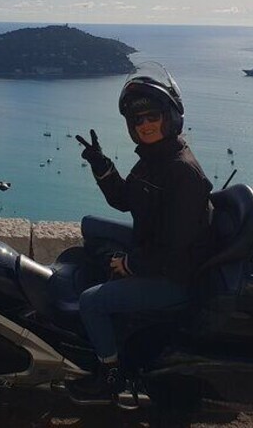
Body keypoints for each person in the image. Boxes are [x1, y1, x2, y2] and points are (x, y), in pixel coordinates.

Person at [68, 62, 214, 404]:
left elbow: (176, 248)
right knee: (91, 224)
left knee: (91, 301)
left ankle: (111, 373)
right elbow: (123, 199)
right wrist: (101, 164)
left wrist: (129, 265)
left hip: (176, 278)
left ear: (169, 116)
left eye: (152, 117)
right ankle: (116, 298)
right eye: (139, 120)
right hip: (156, 250)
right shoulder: (154, 158)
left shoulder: (182, 172)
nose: (146, 125)